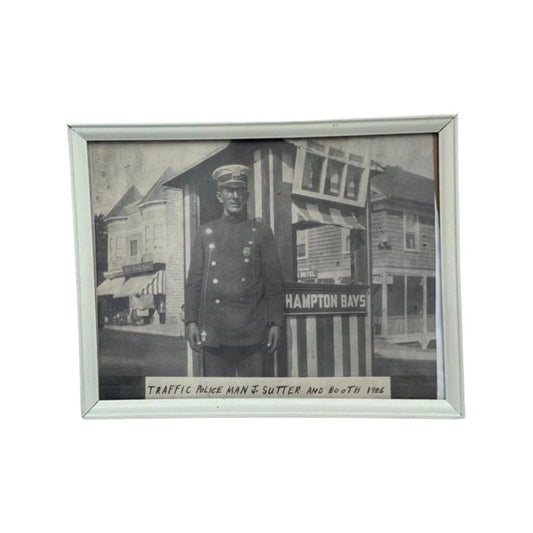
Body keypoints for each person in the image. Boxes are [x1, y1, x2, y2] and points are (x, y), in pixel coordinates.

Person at [184, 164, 284, 377]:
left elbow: (273, 283)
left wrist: (276, 323)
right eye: (230, 190)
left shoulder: (261, 232)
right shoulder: (205, 233)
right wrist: (191, 321)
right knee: (218, 401)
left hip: (253, 335)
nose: (235, 196)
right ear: (220, 195)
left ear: (246, 196)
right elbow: (194, 281)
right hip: (215, 335)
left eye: (240, 191)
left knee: (255, 399)